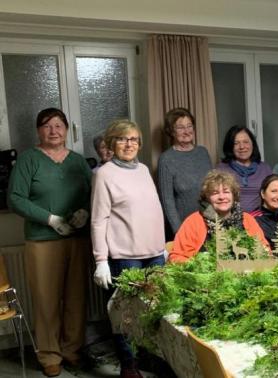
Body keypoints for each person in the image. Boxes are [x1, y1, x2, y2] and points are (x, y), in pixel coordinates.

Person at [7, 108, 92, 377]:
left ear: (67, 129)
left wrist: (85, 212)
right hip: (43, 240)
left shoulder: (78, 162)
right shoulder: (28, 160)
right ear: (38, 131)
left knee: (76, 296)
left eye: (58, 125)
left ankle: (72, 350)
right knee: (46, 299)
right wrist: (50, 219)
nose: (53, 131)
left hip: (77, 239)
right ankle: (49, 355)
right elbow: (16, 199)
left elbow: (94, 193)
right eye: (47, 126)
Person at [90, 120, 164, 378]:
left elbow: (152, 210)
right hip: (125, 258)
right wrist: (101, 260)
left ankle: (151, 360)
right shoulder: (104, 174)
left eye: (133, 139)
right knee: (125, 316)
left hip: (154, 254)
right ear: (111, 144)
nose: (129, 144)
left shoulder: (143, 169)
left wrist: (161, 246)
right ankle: (129, 366)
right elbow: (99, 219)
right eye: (122, 139)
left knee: (155, 311)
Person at [169, 170, 268, 263]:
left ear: (234, 195)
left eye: (226, 192)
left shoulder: (247, 219)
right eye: (215, 193)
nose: (221, 197)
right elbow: (177, 257)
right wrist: (201, 266)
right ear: (207, 197)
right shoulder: (194, 221)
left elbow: (265, 250)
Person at [157, 107, 212, 238]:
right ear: (171, 132)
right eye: (180, 128)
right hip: (184, 226)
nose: (186, 131)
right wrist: (180, 232)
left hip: (209, 223)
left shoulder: (202, 152)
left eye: (189, 126)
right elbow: (167, 201)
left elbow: (212, 188)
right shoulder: (166, 159)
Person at [215, 125, 272, 212]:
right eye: (236, 143)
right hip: (230, 221)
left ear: (252, 144)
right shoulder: (221, 169)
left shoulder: (265, 169)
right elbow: (210, 199)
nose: (242, 147)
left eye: (246, 142)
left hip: (260, 221)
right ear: (230, 146)